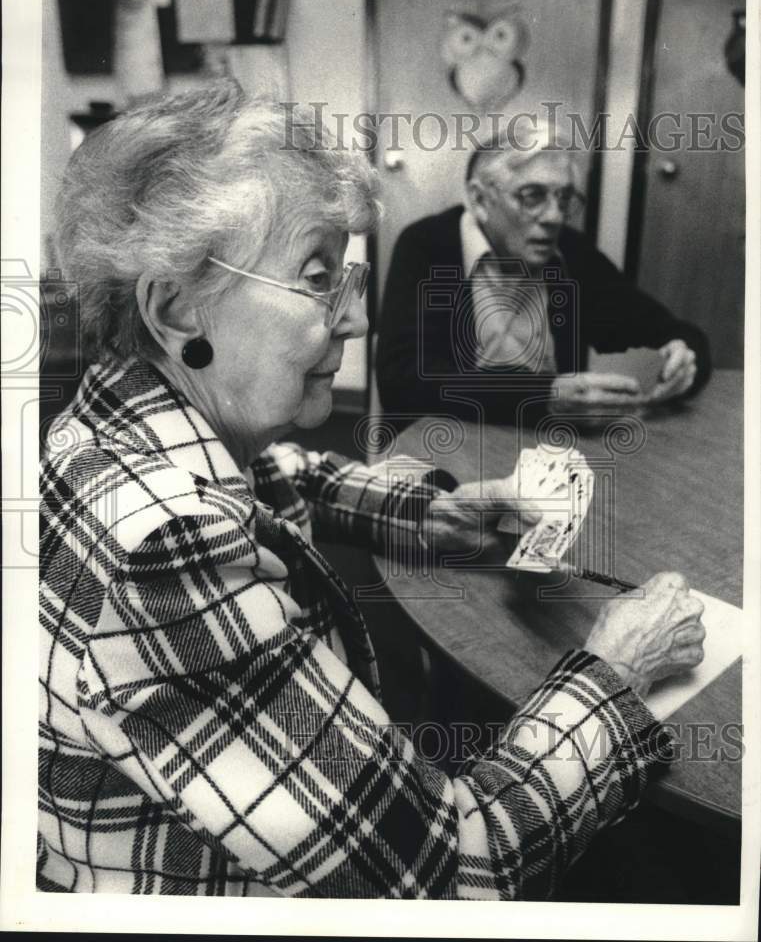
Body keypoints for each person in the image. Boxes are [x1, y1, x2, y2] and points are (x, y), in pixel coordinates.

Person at [39, 84, 706, 899]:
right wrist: (616, 672)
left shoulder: (114, 428)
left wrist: (438, 508)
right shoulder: (168, 552)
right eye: (319, 279)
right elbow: (448, 869)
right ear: (177, 309)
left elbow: (286, 474)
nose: (351, 322)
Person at [376, 121, 711, 425]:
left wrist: (685, 354)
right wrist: (544, 396)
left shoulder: (571, 251)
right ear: (480, 200)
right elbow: (402, 381)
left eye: (563, 198)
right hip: (446, 442)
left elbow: (667, 328)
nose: (554, 217)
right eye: (532, 196)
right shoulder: (427, 245)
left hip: (547, 452)